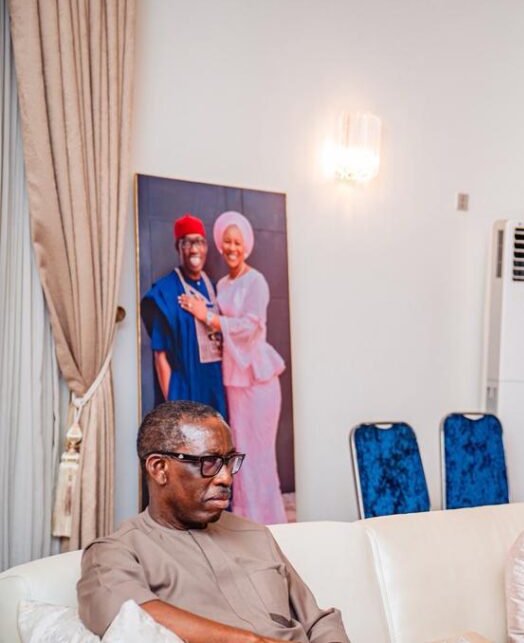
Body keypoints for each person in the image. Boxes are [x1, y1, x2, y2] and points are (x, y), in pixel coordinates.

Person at [77, 400, 348, 643]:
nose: (226, 477)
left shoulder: (254, 533)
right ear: (159, 468)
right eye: (209, 462)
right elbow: (129, 617)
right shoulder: (115, 552)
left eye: (229, 461)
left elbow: (318, 621)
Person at [178, 211, 288, 525]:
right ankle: (246, 523)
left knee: (260, 457)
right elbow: (218, 326)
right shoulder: (222, 284)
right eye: (227, 241)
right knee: (241, 454)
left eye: (237, 242)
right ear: (219, 244)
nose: (232, 247)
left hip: (259, 379)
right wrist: (204, 317)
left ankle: (271, 525)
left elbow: (250, 327)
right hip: (234, 380)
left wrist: (207, 317)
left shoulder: (256, 281)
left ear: (247, 245)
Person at [141, 214, 228, 420]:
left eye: (199, 242)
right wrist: (174, 408)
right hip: (185, 393)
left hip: (215, 391)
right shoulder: (166, 293)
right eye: (188, 243)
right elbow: (160, 356)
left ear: (206, 247)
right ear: (178, 247)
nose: (195, 249)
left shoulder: (215, 289)